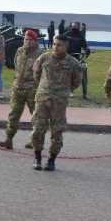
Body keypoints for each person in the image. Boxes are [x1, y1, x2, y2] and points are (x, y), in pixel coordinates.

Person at [30, 35, 81, 171]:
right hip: (42, 99)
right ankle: (37, 157)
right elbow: (36, 74)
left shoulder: (73, 63)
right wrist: (44, 88)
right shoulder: (44, 58)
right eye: (54, 44)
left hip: (59, 102)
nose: (55, 47)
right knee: (38, 129)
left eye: (59, 45)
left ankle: (52, 160)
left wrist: (63, 90)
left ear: (66, 47)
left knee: (57, 132)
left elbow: (76, 82)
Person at [0, 30, 41, 149]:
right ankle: (9, 139)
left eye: (29, 40)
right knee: (13, 114)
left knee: (36, 115)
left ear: (34, 41)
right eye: (25, 39)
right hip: (18, 87)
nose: (26, 42)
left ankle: (35, 140)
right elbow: (16, 65)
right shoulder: (19, 51)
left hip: (32, 89)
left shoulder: (40, 54)